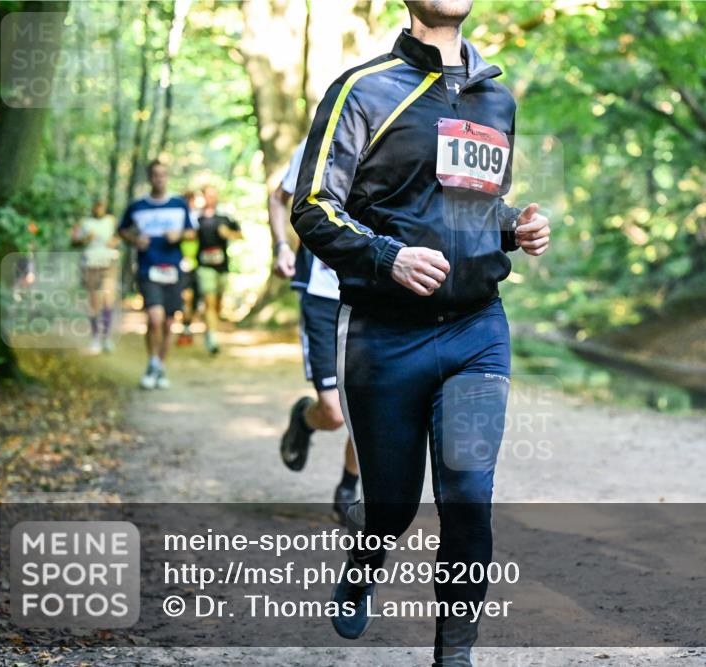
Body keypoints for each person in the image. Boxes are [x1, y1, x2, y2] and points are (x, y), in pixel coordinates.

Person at [291, 1, 551, 663]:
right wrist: (387, 255)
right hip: (385, 336)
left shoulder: (498, 97)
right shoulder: (363, 89)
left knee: (468, 494)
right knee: (393, 503)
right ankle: (367, 552)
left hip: (475, 330)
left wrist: (513, 229)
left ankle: (453, 651)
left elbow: (474, 206)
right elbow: (313, 205)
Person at [269, 138, 361, 525]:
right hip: (322, 296)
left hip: (373, 296)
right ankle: (305, 419)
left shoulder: (395, 140)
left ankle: (348, 485)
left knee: (369, 405)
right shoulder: (316, 146)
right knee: (334, 412)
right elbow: (278, 198)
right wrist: (281, 247)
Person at [118, 159, 197, 390]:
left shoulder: (179, 204)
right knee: (154, 319)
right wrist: (135, 240)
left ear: (167, 177)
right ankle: (152, 362)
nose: (159, 179)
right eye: (155, 175)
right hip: (147, 269)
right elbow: (122, 231)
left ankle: (160, 366)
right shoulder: (137, 206)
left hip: (173, 270)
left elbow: (192, 233)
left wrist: (179, 235)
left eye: (163, 175)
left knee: (169, 322)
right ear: (149, 178)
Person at [196, 185, 242, 355]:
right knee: (209, 300)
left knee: (217, 304)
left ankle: (210, 329)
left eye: (214, 195)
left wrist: (227, 233)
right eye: (208, 195)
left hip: (222, 267)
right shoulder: (196, 218)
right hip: (203, 266)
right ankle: (212, 337)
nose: (211, 198)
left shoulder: (225, 217)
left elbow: (239, 235)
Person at [71, 200, 119, 354]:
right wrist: (86, 239)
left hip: (108, 264)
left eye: (101, 206)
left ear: (105, 207)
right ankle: (96, 337)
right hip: (90, 264)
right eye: (96, 206)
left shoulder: (111, 221)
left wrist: (115, 241)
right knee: (94, 302)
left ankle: (106, 337)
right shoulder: (84, 223)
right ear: (92, 207)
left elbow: (122, 234)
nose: (98, 208)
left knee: (107, 300)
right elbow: (73, 242)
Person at [176, 190, 202, 347]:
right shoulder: (180, 218)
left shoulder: (199, 217)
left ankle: (187, 327)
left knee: (195, 299)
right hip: (182, 263)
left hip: (198, 264)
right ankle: (185, 329)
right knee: (186, 297)